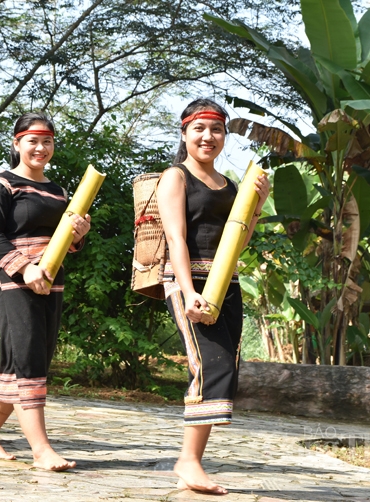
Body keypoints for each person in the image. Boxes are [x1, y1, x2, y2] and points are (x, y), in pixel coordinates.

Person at [156, 99, 270, 494]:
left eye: (216, 130)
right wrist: (188, 291)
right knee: (208, 364)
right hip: (189, 282)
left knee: (223, 366)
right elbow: (176, 238)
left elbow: (238, 243)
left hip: (227, 283)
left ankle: (192, 461)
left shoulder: (231, 186)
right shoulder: (175, 177)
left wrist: (258, 205)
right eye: (199, 129)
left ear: (224, 136)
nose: (208, 137)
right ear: (184, 133)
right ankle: (188, 462)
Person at [0, 113, 90, 471]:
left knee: (19, 362)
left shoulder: (60, 192)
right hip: (14, 283)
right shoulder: (1, 185)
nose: (40, 148)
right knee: (29, 361)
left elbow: (64, 242)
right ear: (16, 143)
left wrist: (78, 235)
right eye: (33, 140)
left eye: (47, 141)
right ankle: (41, 450)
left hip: (52, 281)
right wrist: (26, 267)